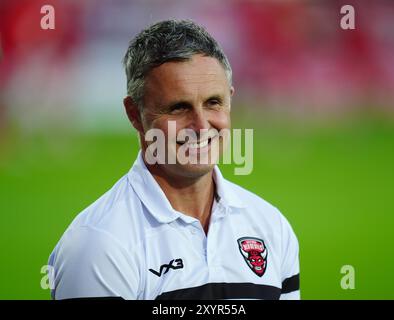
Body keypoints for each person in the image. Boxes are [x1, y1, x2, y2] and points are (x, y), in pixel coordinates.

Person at [48, 19, 300, 300]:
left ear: (230, 101)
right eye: (179, 108)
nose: (202, 127)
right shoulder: (98, 245)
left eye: (213, 102)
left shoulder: (270, 226)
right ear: (134, 114)